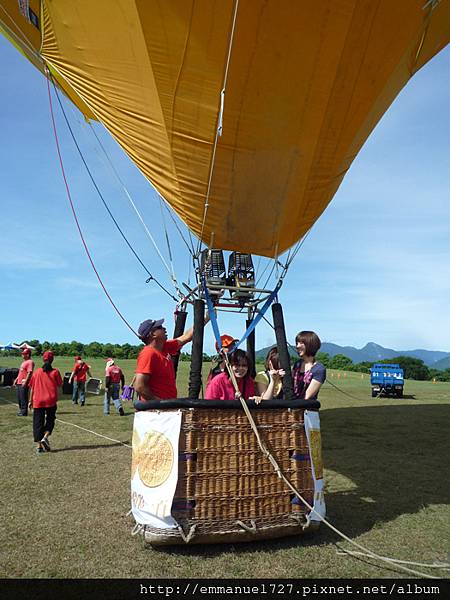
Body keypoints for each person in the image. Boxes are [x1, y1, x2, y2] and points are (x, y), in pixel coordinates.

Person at [134, 317, 204, 402]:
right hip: (156, 411)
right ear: (153, 334)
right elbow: (139, 386)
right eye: (160, 327)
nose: (164, 329)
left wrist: (207, 316)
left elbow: (187, 337)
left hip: (166, 407)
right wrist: (159, 403)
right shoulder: (148, 353)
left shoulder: (164, 347)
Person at [28, 350, 62, 454]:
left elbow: (32, 388)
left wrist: (30, 401)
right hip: (50, 400)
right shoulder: (55, 372)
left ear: (43, 359)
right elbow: (59, 385)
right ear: (52, 360)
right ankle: (45, 437)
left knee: (38, 423)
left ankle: (39, 447)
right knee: (50, 420)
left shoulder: (37, 372)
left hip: (38, 400)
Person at [292, 331, 326, 400]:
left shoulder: (319, 369)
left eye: (301, 343)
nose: (297, 346)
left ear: (310, 345)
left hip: (307, 408)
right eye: (297, 343)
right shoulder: (297, 364)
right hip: (292, 405)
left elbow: (307, 396)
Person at [14, 348, 35, 416]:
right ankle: (21, 410)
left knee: (23, 398)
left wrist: (26, 382)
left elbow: (29, 372)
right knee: (19, 397)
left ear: (28, 355)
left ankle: (24, 412)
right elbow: (21, 372)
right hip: (19, 382)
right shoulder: (24, 362)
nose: (22, 355)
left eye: (24, 354)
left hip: (23, 383)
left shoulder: (30, 362)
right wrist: (17, 379)